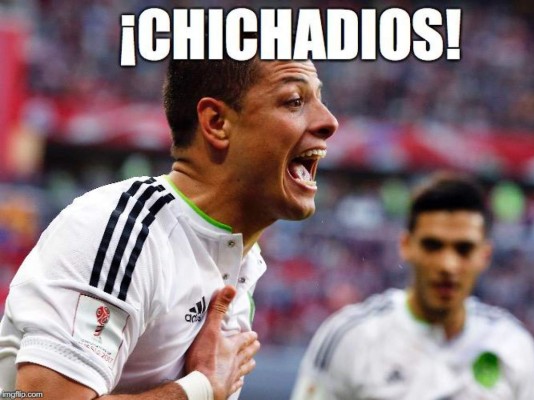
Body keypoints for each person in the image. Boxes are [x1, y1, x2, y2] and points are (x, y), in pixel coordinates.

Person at [0, 51, 338, 399]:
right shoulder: (123, 231)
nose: (329, 122)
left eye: (319, 99)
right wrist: (198, 388)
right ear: (217, 122)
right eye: (294, 101)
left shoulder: (240, 262)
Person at [291, 172, 534, 400]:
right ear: (406, 246)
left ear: (485, 255)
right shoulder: (350, 337)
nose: (447, 264)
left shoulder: (513, 346)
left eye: (463, 249)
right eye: (432, 245)